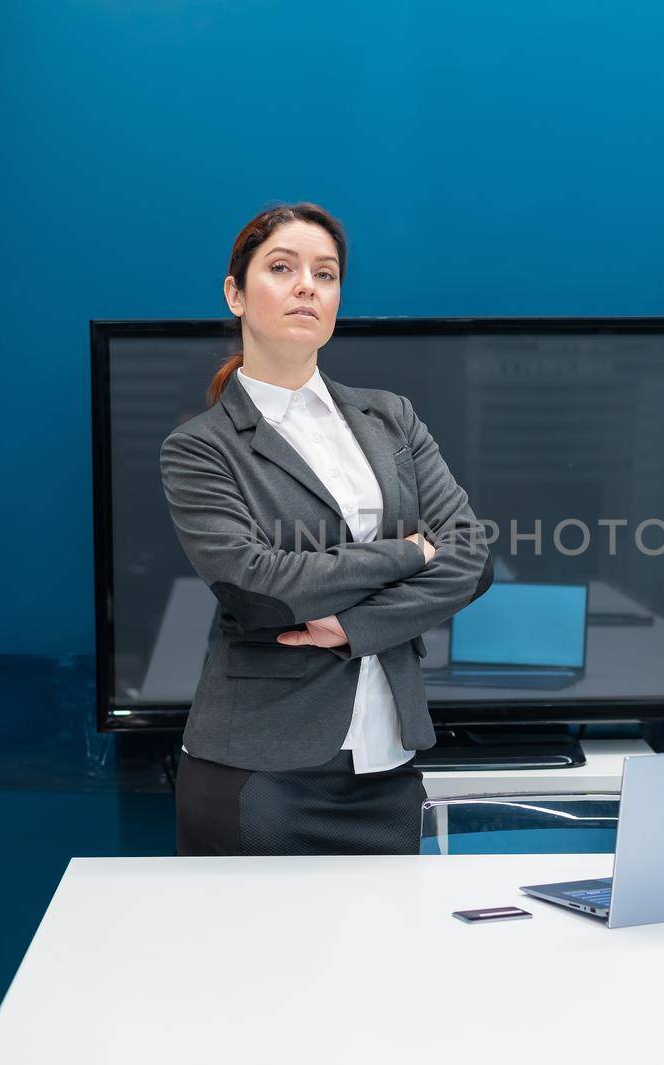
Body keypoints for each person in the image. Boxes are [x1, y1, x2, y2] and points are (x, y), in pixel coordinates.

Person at [159, 202, 493, 856]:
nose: (307, 285)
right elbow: (259, 587)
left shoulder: (391, 418)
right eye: (281, 267)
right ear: (235, 293)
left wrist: (349, 627)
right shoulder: (200, 447)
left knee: (384, 960)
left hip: (386, 768)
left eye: (326, 273)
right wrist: (406, 551)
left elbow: (471, 557)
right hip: (258, 773)